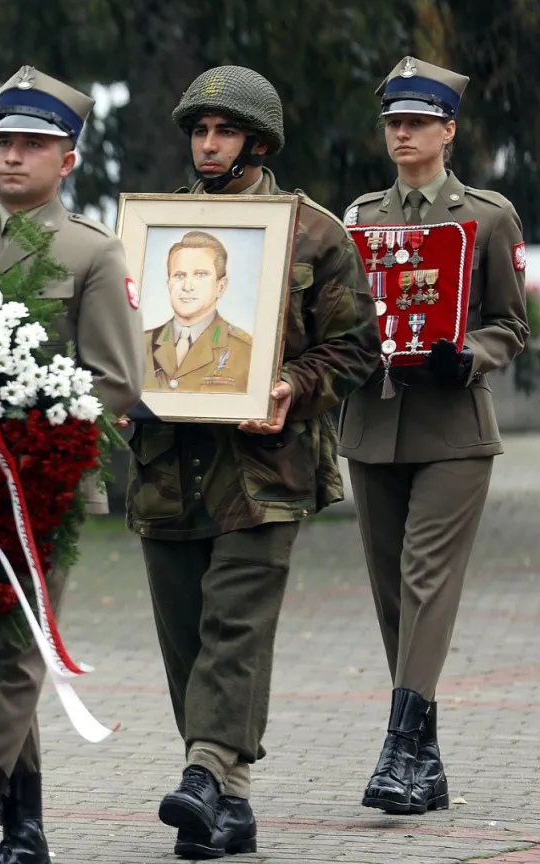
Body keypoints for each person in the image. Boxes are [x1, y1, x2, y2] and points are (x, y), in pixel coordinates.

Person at [125, 65, 378, 859]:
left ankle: (202, 772)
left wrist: (289, 386)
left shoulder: (313, 232)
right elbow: (118, 339)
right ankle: (228, 804)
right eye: (198, 131)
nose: (207, 144)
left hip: (266, 471)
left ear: (257, 142)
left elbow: (357, 349)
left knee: (235, 625)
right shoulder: (153, 231)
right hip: (167, 469)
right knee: (187, 639)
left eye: (223, 131)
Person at [0, 65, 143, 864]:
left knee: (18, 651)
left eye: (33, 145)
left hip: (46, 485)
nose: (13, 157)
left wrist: (26, 418)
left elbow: (118, 379)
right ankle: (28, 830)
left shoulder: (92, 250)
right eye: (3, 142)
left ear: (69, 160)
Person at [341, 56, 529, 816]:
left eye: (416, 120)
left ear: (448, 130)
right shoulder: (356, 219)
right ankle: (423, 761)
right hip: (373, 424)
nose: (402, 133)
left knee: (425, 581)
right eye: (393, 121)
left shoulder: (488, 215)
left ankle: (396, 748)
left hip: (454, 427)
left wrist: (469, 356)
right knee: (393, 597)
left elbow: (511, 326)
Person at [144, 230, 253, 393]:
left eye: (200, 275)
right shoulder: (137, 345)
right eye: (179, 275)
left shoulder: (247, 351)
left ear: (220, 286)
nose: (187, 286)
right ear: (169, 284)